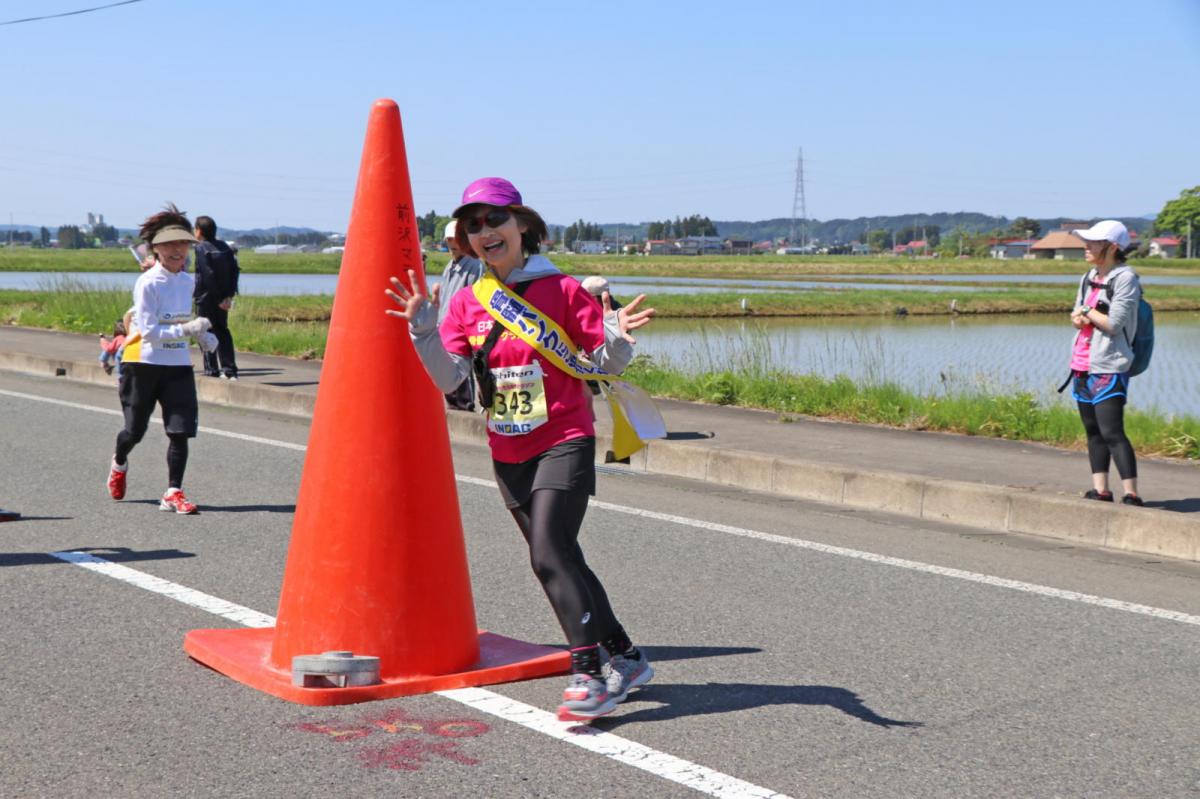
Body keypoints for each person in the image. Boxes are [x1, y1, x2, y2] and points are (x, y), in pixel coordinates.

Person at [386, 177, 656, 721]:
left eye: (495, 219)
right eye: (473, 224)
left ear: (523, 225)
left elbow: (602, 363)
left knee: (547, 554)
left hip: (564, 438)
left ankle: (588, 673)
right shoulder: (467, 302)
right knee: (563, 557)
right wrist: (423, 334)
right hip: (508, 450)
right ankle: (626, 657)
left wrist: (617, 339)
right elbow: (451, 380)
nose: (484, 231)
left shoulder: (564, 290)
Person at [107, 204, 219, 515]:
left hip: (178, 365)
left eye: (183, 244)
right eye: (169, 245)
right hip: (142, 363)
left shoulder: (187, 281)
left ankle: (173, 492)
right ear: (156, 249)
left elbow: (182, 319)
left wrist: (202, 336)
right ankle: (119, 462)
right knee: (135, 431)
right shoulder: (148, 283)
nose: (177, 250)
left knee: (180, 430)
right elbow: (150, 332)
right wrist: (188, 329)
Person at [1067, 220, 1143, 506]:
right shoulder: (1088, 276)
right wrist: (1081, 316)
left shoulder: (1125, 278)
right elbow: (1077, 317)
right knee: (1093, 431)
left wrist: (1086, 310)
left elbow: (1113, 324)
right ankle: (1101, 490)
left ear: (1112, 247)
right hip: (1081, 363)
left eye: (1093, 243)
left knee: (1112, 431)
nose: (1086, 246)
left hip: (1109, 364)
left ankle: (1131, 494)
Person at [437, 218, 484, 411]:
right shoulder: (449, 266)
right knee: (447, 374)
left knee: (463, 374)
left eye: (456, 239)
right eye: (449, 239)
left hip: (463, 329)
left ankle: (466, 409)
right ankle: (454, 409)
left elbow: (476, 299)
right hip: (445, 328)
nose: (452, 244)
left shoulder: (475, 265)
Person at [192, 215, 240, 380]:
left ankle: (212, 370)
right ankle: (230, 370)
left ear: (199, 231)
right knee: (222, 331)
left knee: (205, 331)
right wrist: (228, 296)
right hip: (223, 299)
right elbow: (235, 271)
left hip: (206, 297)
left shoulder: (201, 248)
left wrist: (219, 297)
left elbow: (207, 274)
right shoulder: (224, 247)